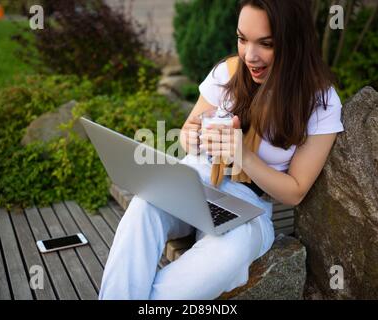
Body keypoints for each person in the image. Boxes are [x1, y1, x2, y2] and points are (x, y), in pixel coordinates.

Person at [99, 0, 344, 300]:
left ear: (294, 41)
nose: (250, 55)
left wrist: (243, 154)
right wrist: (197, 137)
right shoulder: (228, 72)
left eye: (265, 44)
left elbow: (295, 191)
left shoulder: (320, 101)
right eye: (242, 39)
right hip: (196, 179)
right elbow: (188, 131)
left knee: (230, 253)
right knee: (143, 207)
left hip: (251, 206)